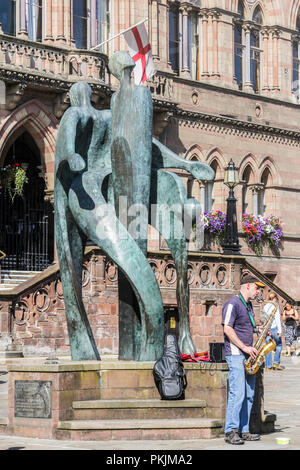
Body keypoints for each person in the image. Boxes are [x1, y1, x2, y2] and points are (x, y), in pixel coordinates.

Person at [222, 274, 265, 445]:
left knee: (249, 394)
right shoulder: (232, 303)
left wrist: (259, 329)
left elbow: (246, 327)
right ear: (247, 286)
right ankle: (231, 430)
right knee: (238, 393)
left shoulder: (248, 306)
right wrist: (244, 347)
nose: (258, 291)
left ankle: (244, 430)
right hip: (235, 353)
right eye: (256, 287)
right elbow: (227, 328)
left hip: (248, 355)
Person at [263, 292, 284, 371]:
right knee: (278, 345)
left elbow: (263, 318)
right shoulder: (275, 306)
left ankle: (268, 366)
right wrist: (280, 330)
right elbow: (277, 319)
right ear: (275, 298)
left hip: (267, 329)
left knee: (268, 347)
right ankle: (276, 363)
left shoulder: (265, 306)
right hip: (274, 328)